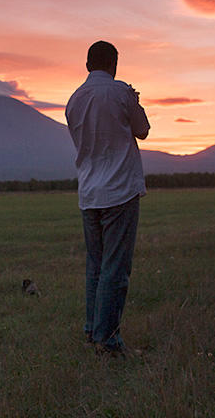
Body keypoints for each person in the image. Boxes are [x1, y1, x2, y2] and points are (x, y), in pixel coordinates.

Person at [65, 40, 151, 357]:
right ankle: (109, 341)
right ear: (114, 64)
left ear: (88, 64)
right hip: (120, 190)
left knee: (96, 267)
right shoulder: (121, 92)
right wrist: (135, 101)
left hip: (89, 192)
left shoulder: (74, 99)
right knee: (116, 268)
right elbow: (142, 130)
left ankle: (93, 330)